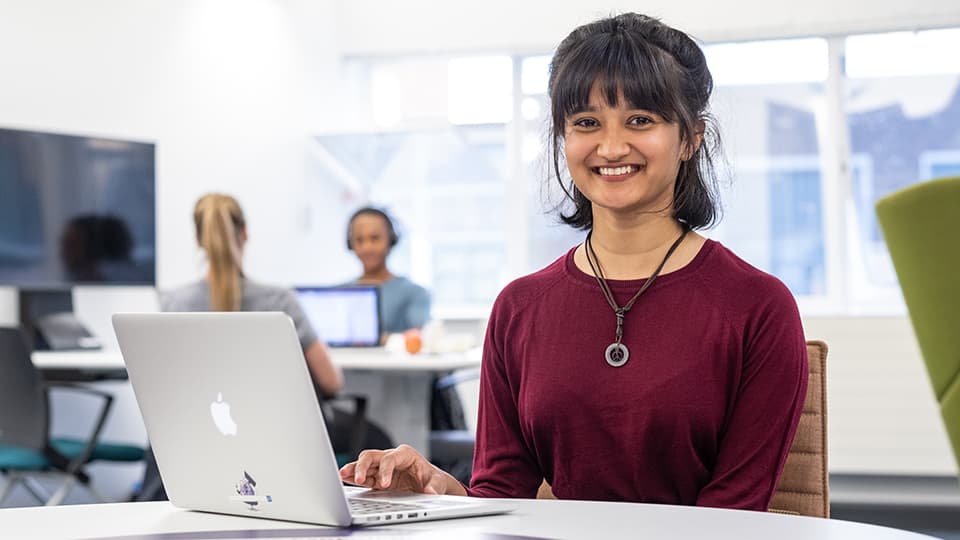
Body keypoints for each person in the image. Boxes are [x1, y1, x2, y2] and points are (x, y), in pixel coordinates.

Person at [339, 13, 808, 512]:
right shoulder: (519, 307)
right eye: (586, 123)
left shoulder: (756, 306)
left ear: (692, 136)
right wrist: (436, 491)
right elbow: (501, 494)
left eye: (640, 120)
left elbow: (734, 513)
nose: (611, 147)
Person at [137, 193, 345, 501]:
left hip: (193, 440)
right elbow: (330, 381)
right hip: (274, 442)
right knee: (377, 437)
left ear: (199, 238)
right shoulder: (279, 301)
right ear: (245, 232)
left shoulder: (174, 303)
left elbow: (165, 390)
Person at [345, 207, 431, 335]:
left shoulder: (415, 293)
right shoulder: (339, 294)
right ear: (350, 244)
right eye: (359, 240)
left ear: (391, 240)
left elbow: (418, 337)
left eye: (375, 238)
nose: (367, 247)